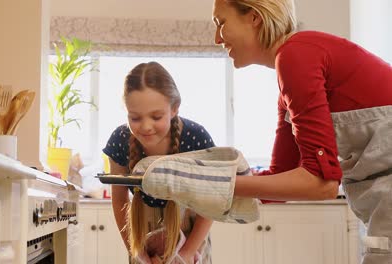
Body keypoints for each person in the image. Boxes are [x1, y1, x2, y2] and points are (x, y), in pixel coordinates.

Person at [141, 1, 392, 263]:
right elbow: (279, 179)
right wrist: (186, 217)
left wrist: (207, 183)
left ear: (254, 17)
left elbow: (321, 184)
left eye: (221, 23)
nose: (217, 38)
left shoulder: (296, 55)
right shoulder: (289, 79)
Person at [102, 61, 215, 263]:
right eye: (135, 117)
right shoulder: (119, 140)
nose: (146, 126)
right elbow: (119, 200)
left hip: (191, 234)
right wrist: (135, 251)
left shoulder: (196, 138)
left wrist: (186, 253)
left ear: (174, 109)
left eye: (156, 116)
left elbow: (210, 203)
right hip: (140, 231)